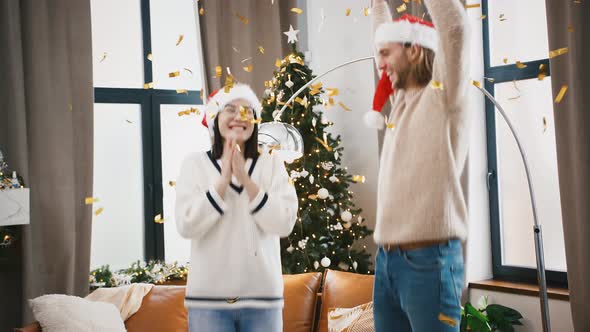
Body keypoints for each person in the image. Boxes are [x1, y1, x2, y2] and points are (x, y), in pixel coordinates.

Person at [365, 0, 471, 330]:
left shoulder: (445, 96)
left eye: (387, 53)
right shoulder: (399, 103)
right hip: (387, 262)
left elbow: (455, 29)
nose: (380, 63)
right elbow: (378, 42)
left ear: (413, 51)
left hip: (430, 263)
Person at [175, 83, 298, 332]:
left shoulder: (272, 165)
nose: (239, 116)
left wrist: (246, 180)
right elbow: (186, 224)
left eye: (247, 110)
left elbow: (284, 223)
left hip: (263, 300)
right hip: (207, 302)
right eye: (230, 109)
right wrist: (222, 181)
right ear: (215, 119)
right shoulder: (194, 164)